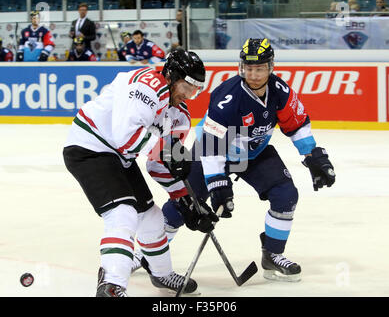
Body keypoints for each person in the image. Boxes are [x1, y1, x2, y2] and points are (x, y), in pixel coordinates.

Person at [138, 38, 336, 282]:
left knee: (286, 195)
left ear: (270, 67)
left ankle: (272, 255)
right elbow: (212, 145)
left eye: (259, 68)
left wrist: (313, 155)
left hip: (253, 153)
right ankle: (148, 253)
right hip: (213, 152)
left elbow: (296, 124)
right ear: (242, 66)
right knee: (186, 204)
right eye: (249, 68)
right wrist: (217, 183)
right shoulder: (227, 96)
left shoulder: (280, 91)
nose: (253, 74)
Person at [63, 49, 217, 297]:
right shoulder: (147, 85)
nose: (192, 94)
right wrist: (167, 152)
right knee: (122, 214)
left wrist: (187, 201)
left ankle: (162, 274)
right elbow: (127, 137)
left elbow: (160, 164)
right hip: (89, 148)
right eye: (187, 86)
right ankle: (112, 284)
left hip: (120, 157)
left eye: (196, 89)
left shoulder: (180, 116)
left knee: (151, 217)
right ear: (172, 76)